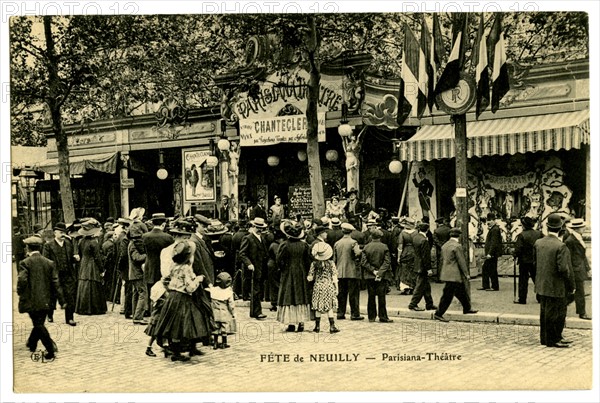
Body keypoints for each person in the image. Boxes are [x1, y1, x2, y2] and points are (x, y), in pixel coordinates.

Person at [153, 241, 209, 361]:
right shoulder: (186, 268)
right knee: (185, 323)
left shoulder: (173, 265)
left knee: (173, 324)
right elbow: (190, 287)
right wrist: (198, 280)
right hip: (183, 298)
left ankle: (176, 350)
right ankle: (182, 351)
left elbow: (165, 280)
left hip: (172, 297)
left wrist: (171, 289)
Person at [18, 236, 65, 360]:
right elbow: (56, 283)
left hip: (32, 300)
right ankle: (32, 343)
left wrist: (20, 292)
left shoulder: (25, 263)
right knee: (39, 323)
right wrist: (61, 300)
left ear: (28, 248)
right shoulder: (49, 263)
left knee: (38, 324)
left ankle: (50, 349)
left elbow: (22, 280)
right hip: (46, 300)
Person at [534, 213, 575, 348]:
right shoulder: (560, 246)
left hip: (542, 284)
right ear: (560, 228)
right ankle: (554, 338)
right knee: (557, 313)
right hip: (557, 285)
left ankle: (545, 338)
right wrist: (570, 286)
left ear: (547, 227)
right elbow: (564, 269)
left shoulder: (538, 243)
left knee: (545, 312)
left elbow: (535, 263)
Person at [433, 227, 478, 322]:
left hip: (446, 272)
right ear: (459, 236)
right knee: (447, 296)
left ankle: (467, 308)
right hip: (454, 274)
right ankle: (438, 313)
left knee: (461, 292)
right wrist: (466, 274)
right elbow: (461, 261)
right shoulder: (457, 246)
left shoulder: (445, 245)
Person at [276, 220, 312, 332]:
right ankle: (301, 322)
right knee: (301, 295)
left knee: (289, 295)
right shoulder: (304, 245)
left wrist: (283, 269)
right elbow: (308, 261)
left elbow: (279, 260)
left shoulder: (284, 245)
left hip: (288, 273)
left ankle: (290, 323)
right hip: (301, 273)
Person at [42, 222, 78, 326]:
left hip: (67, 275)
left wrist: (75, 259)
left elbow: (70, 259)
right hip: (55, 276)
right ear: (55, 233)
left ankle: (69, 318)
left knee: (69, 296)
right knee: (52, 296)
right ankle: (50, 314)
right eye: (61, 232)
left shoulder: (68, 244)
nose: (63, 234)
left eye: (64, 232)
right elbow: (46, 262)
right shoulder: (48, 246)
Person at [143, 213, 174, 314]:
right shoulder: (168, 237)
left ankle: (149, 309)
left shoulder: (145, 236)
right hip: (163, 266)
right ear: (163, 224)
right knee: (162, 288)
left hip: (149, 265)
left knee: (150, 287)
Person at [360, 228, 394, 323]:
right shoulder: (384, 247)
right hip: (382, 276)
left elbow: (363, 262)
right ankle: (383, 316)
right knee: (381, 296)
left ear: (371, 236)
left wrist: (373, 271)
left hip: (370, 275)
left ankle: (371, 316)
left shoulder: (366, 247)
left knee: (371, 296)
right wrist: (379, 273)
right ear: (380, 237)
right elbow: (387, 262)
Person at [238, 217, 269, 320]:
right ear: (254, 227)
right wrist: (249, 264)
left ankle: (254, 311)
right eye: (258, 228)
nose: (260, 230)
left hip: (261, 267)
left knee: (258, 289)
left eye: (262, 228)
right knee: (255, 290)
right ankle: (257, 312)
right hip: (253, 268)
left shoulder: (262, 238)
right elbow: (242, 254)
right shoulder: (248, 238)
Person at [75, 219, 107, 315]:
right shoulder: (94, 242)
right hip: (92, 265)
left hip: (83, 264)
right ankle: (94, 308)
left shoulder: (81, 241)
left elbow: (80, 254)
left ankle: (82, 307)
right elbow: (97, 257)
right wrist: (101, 269)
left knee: (84, 285)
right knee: (93, 285)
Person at [307, 242, 340, 333]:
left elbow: (310, 277)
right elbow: (334, 277)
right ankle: (332, 326)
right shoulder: (331, 263)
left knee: (318, 306)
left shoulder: (314, 264)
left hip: (318, 286)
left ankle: (317, 327)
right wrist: (336, 288)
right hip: (328, 285)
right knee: (329, 307)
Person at [334, 222, 363, 321]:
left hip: (340, 272)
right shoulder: (353, 242)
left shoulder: (337, 243)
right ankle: (355, 314)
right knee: (353, 294)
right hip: (351, 271)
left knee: (341, 294)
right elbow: (357, 253)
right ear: (351, 232)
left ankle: (340, 313)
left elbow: (335, 259)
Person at [563, 218, 591, 320]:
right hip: (575, 268)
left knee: (576, 291)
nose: (584, 228)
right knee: (578, 291)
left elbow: (582, 255)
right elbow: (568, 256)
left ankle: (562, 306)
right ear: (578, 228)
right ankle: (582, 312)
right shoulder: (570, 240)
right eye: (582, 227)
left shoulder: (578, 238)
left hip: (579, 267)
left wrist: (587, 268)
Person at [513, 216, 543, 304]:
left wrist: (515, 254)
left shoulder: (522, 235)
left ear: (524, 225)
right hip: (536, 260)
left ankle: (522, 299)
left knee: (523, 280)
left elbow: (518, 248)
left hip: (524, 261)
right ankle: (540, 297)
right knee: (537, 279)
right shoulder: (539, 233)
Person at [408, 222, 437, 312]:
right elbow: (426, 256)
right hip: (423, 266)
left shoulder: (415, 237)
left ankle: (429, 303)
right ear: (427, 230)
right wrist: (429, 269)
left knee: (426, 286)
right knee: (420, 286)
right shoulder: (424, 240)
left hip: (417, 263)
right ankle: (413, 304)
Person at [208, 272, 236, 349]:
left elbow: (208, 291)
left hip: (215, 313)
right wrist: (233, 313)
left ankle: (215, 343)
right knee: (224, 328)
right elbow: (231, 305)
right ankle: (224, 343)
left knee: (215, 328)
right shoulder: (229, 292)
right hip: (224, 313)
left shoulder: (214, 290)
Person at [128, 221, 148, 325]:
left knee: (136, 294)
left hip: (134, 273)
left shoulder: (132, 243)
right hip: (137, 273)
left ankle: (136, 315)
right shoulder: (134, 245)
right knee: (142, 294)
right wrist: (147, 256)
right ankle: (138, 317)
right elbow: (136, 258)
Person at [480, 213, 502, 291]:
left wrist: (490, 253)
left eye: (490, 220)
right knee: (488, 268)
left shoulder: (495, 230)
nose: (488, 222)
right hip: (492, 253)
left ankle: (493, 286)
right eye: (487, 220)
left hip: (492, 254)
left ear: (494, 221)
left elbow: (494, 243)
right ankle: (487, 285)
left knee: (490, 269)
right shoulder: (494, 229)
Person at [398, 217, 418, 295]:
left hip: (405, 251)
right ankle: (413, 286)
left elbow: (400, 246)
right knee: (413, 269)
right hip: (414, 252)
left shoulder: (402, 233)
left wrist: (398, 257)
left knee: (404, 270)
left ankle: (406, 287)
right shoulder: (416, 232)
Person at [267, 229, 285, 312]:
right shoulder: (276, 246)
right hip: (275, 266)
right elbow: (277, 256)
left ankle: (275, 302)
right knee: (276, 284)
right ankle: (275, 302)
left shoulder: (273, 244)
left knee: (274, 284)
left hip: (272, 265)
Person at [231, 220, 250, 299]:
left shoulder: (235, 235)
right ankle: (245, 293)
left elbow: (232, 248)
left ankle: (236, 291)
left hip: (237, 255)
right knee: (245, 275)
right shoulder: (247, 235)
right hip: (245, 256)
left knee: (237, 273)